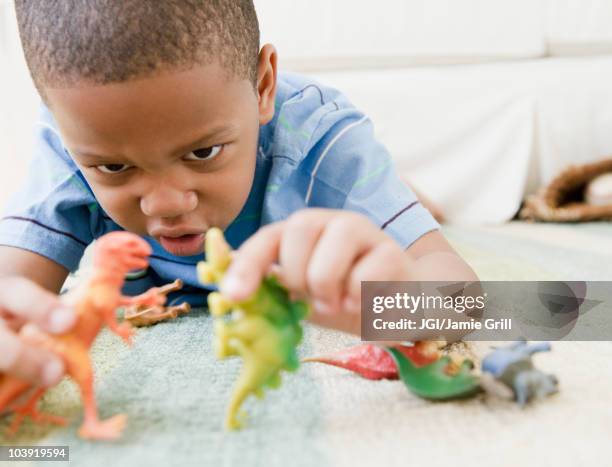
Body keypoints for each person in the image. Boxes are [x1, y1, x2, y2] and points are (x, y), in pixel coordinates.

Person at [0, 0, 477, 387]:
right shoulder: (67, 152)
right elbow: (10, 288)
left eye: (203, 152)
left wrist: (397, 307)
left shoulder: (323, 142)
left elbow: (496, 307)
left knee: (378, 201)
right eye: (114, 167)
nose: (165, 204)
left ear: (263, 85)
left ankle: (402, 198)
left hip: (316, 166)